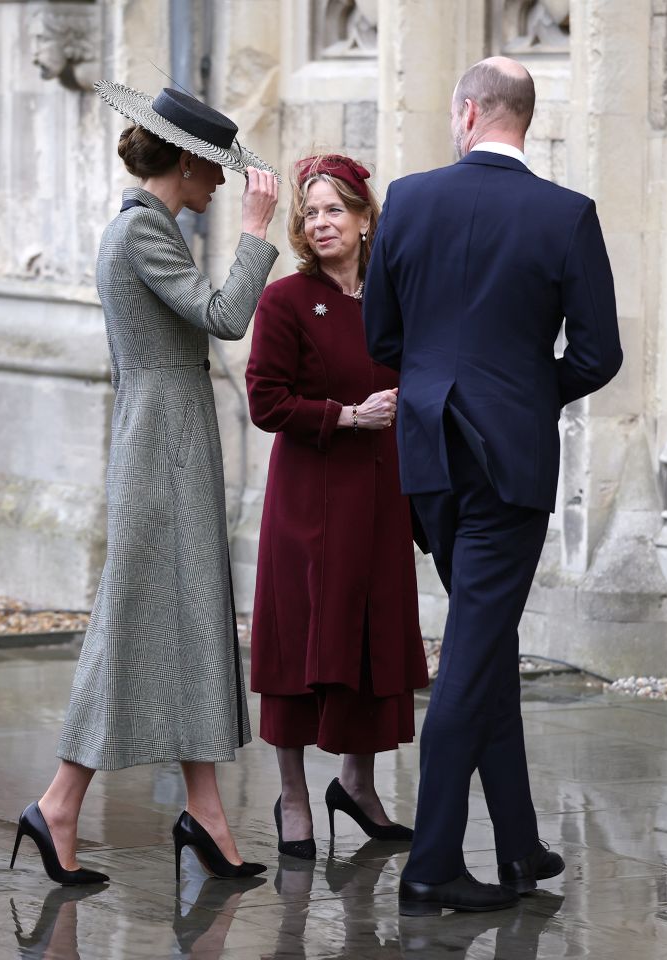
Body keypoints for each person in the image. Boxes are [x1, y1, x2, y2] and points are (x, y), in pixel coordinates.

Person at [364, 57, 623, 915]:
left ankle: (518, 845)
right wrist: (520, 390)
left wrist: (446, 383)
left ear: (468, 112)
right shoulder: (566, 214)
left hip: (430, 454)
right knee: (474, 650)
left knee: (485, 640)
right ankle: (433, 863)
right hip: (508, 459)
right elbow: (598, 356)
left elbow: (383, 334)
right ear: (525, 118)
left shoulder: (407, 199)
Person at [10, 81, 280, 885]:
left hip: (170, 440)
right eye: (217, 170)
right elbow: (227, 316)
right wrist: (259, 235)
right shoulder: (141, 235)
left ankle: (207, 814)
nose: (225, 186)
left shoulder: (151, 227)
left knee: (194, 619)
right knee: (131, 622)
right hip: (162, 447)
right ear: (189, 164)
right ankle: (59, 803)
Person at [245, 154, 428, 859]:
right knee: (301, 644)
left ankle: (358, 787)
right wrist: (348, 416)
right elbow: (266, 401)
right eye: (310, 212)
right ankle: (293, 793)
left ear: (363, 219)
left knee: (373, 639)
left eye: (333, 210)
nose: (321, 223)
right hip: (310, 502)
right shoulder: (285, 301)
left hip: (381, 497)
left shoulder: (393, 297)